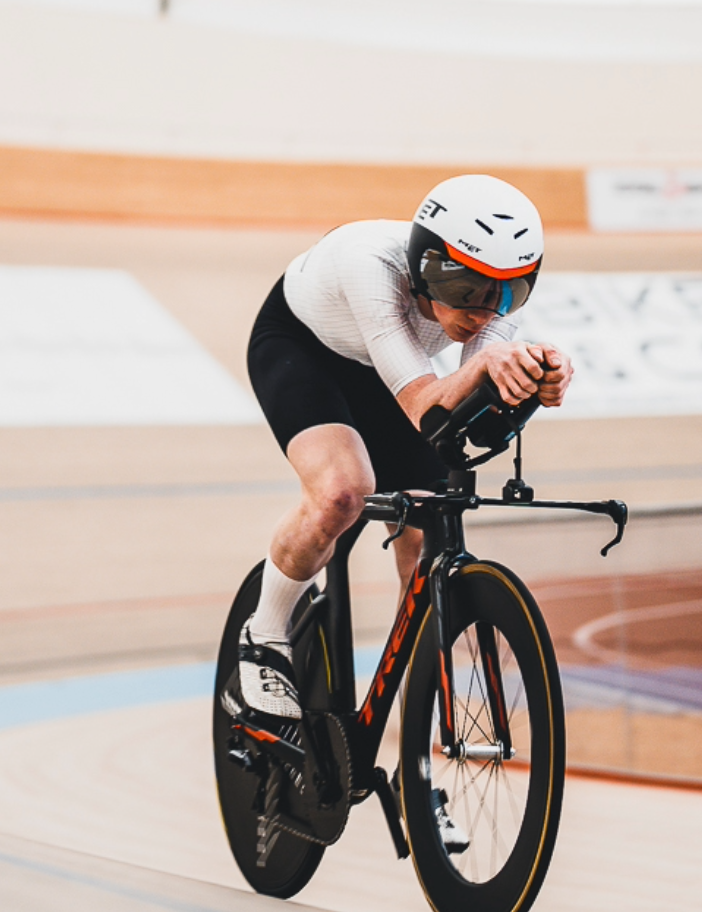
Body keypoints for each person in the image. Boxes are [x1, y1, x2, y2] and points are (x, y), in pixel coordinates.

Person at [230, 174, 569, 726]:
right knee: (342, 494)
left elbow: (471, 427)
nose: (485, 313)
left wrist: (539, 379)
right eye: (467, 292)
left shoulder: (492, 293)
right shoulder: (371, 266)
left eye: (506, 294)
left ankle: (407, 704)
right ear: (427, 266)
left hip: (392, 369)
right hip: (306, 351)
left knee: (428, 523)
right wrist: (489, 365)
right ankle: (263, 637)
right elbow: (427, 409)